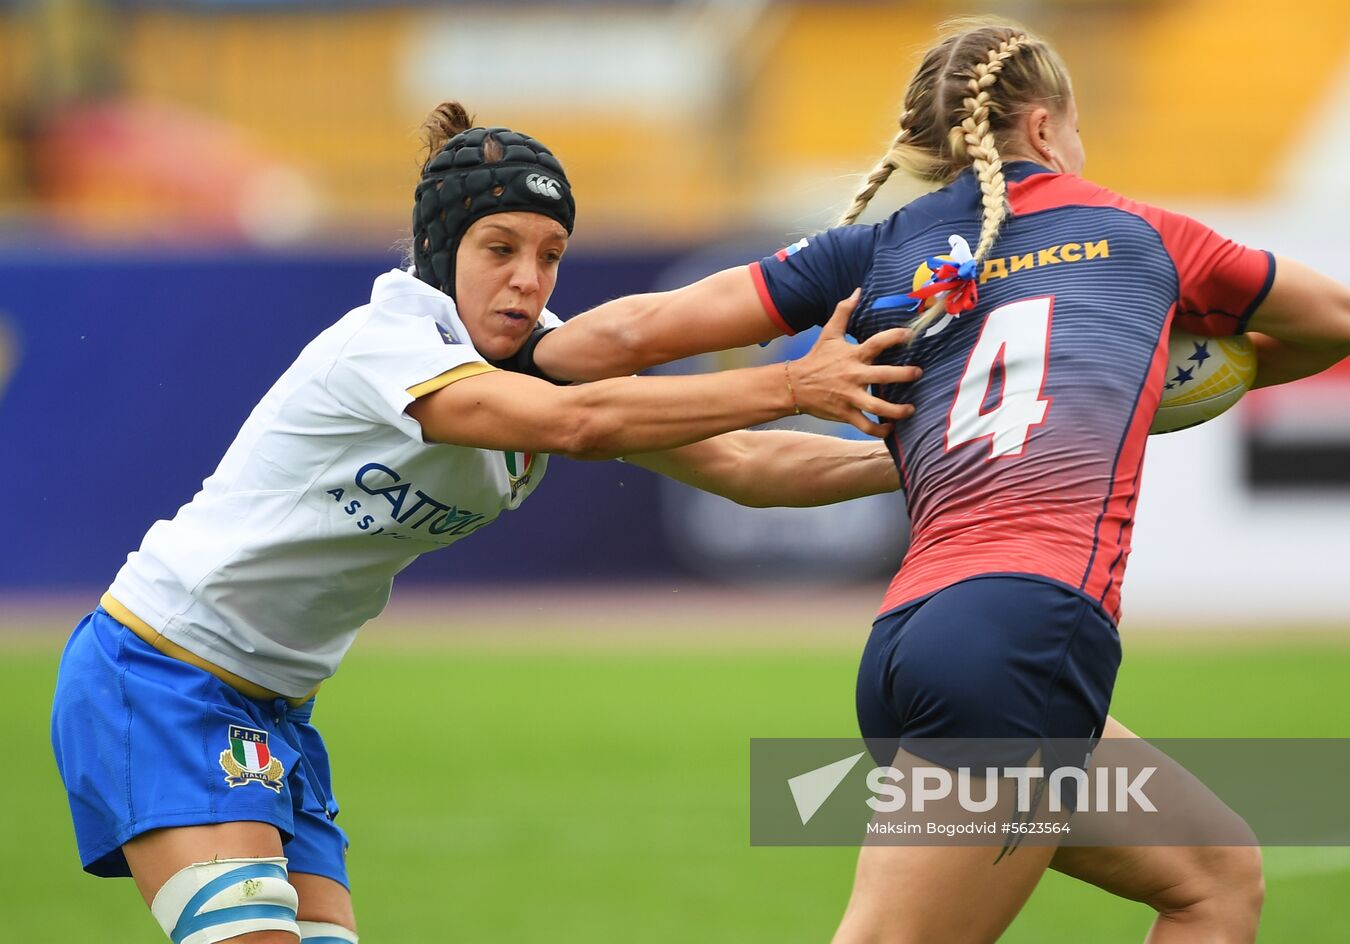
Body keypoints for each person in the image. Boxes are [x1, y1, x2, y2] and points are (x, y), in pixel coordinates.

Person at [514, 17, 1350, 942]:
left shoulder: (877, 248)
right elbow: (1341, 319)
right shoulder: (1146, 236)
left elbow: (625, 338)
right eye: (1075, 129)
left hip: (912, 646)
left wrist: (513, 351)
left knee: (1216, 876)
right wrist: (1159, 383)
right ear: (1045, 129)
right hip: (1026, 639)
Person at [49, 102, 923, 944]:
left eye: (550, 255)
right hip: (158, 673)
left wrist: (933, 462)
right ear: (438, 249)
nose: (528, 280)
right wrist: (791, 385)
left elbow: (744, 467)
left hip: (275, 713)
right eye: (499, 248)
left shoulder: (537, 355)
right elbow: (579, 426)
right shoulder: (384, 345)